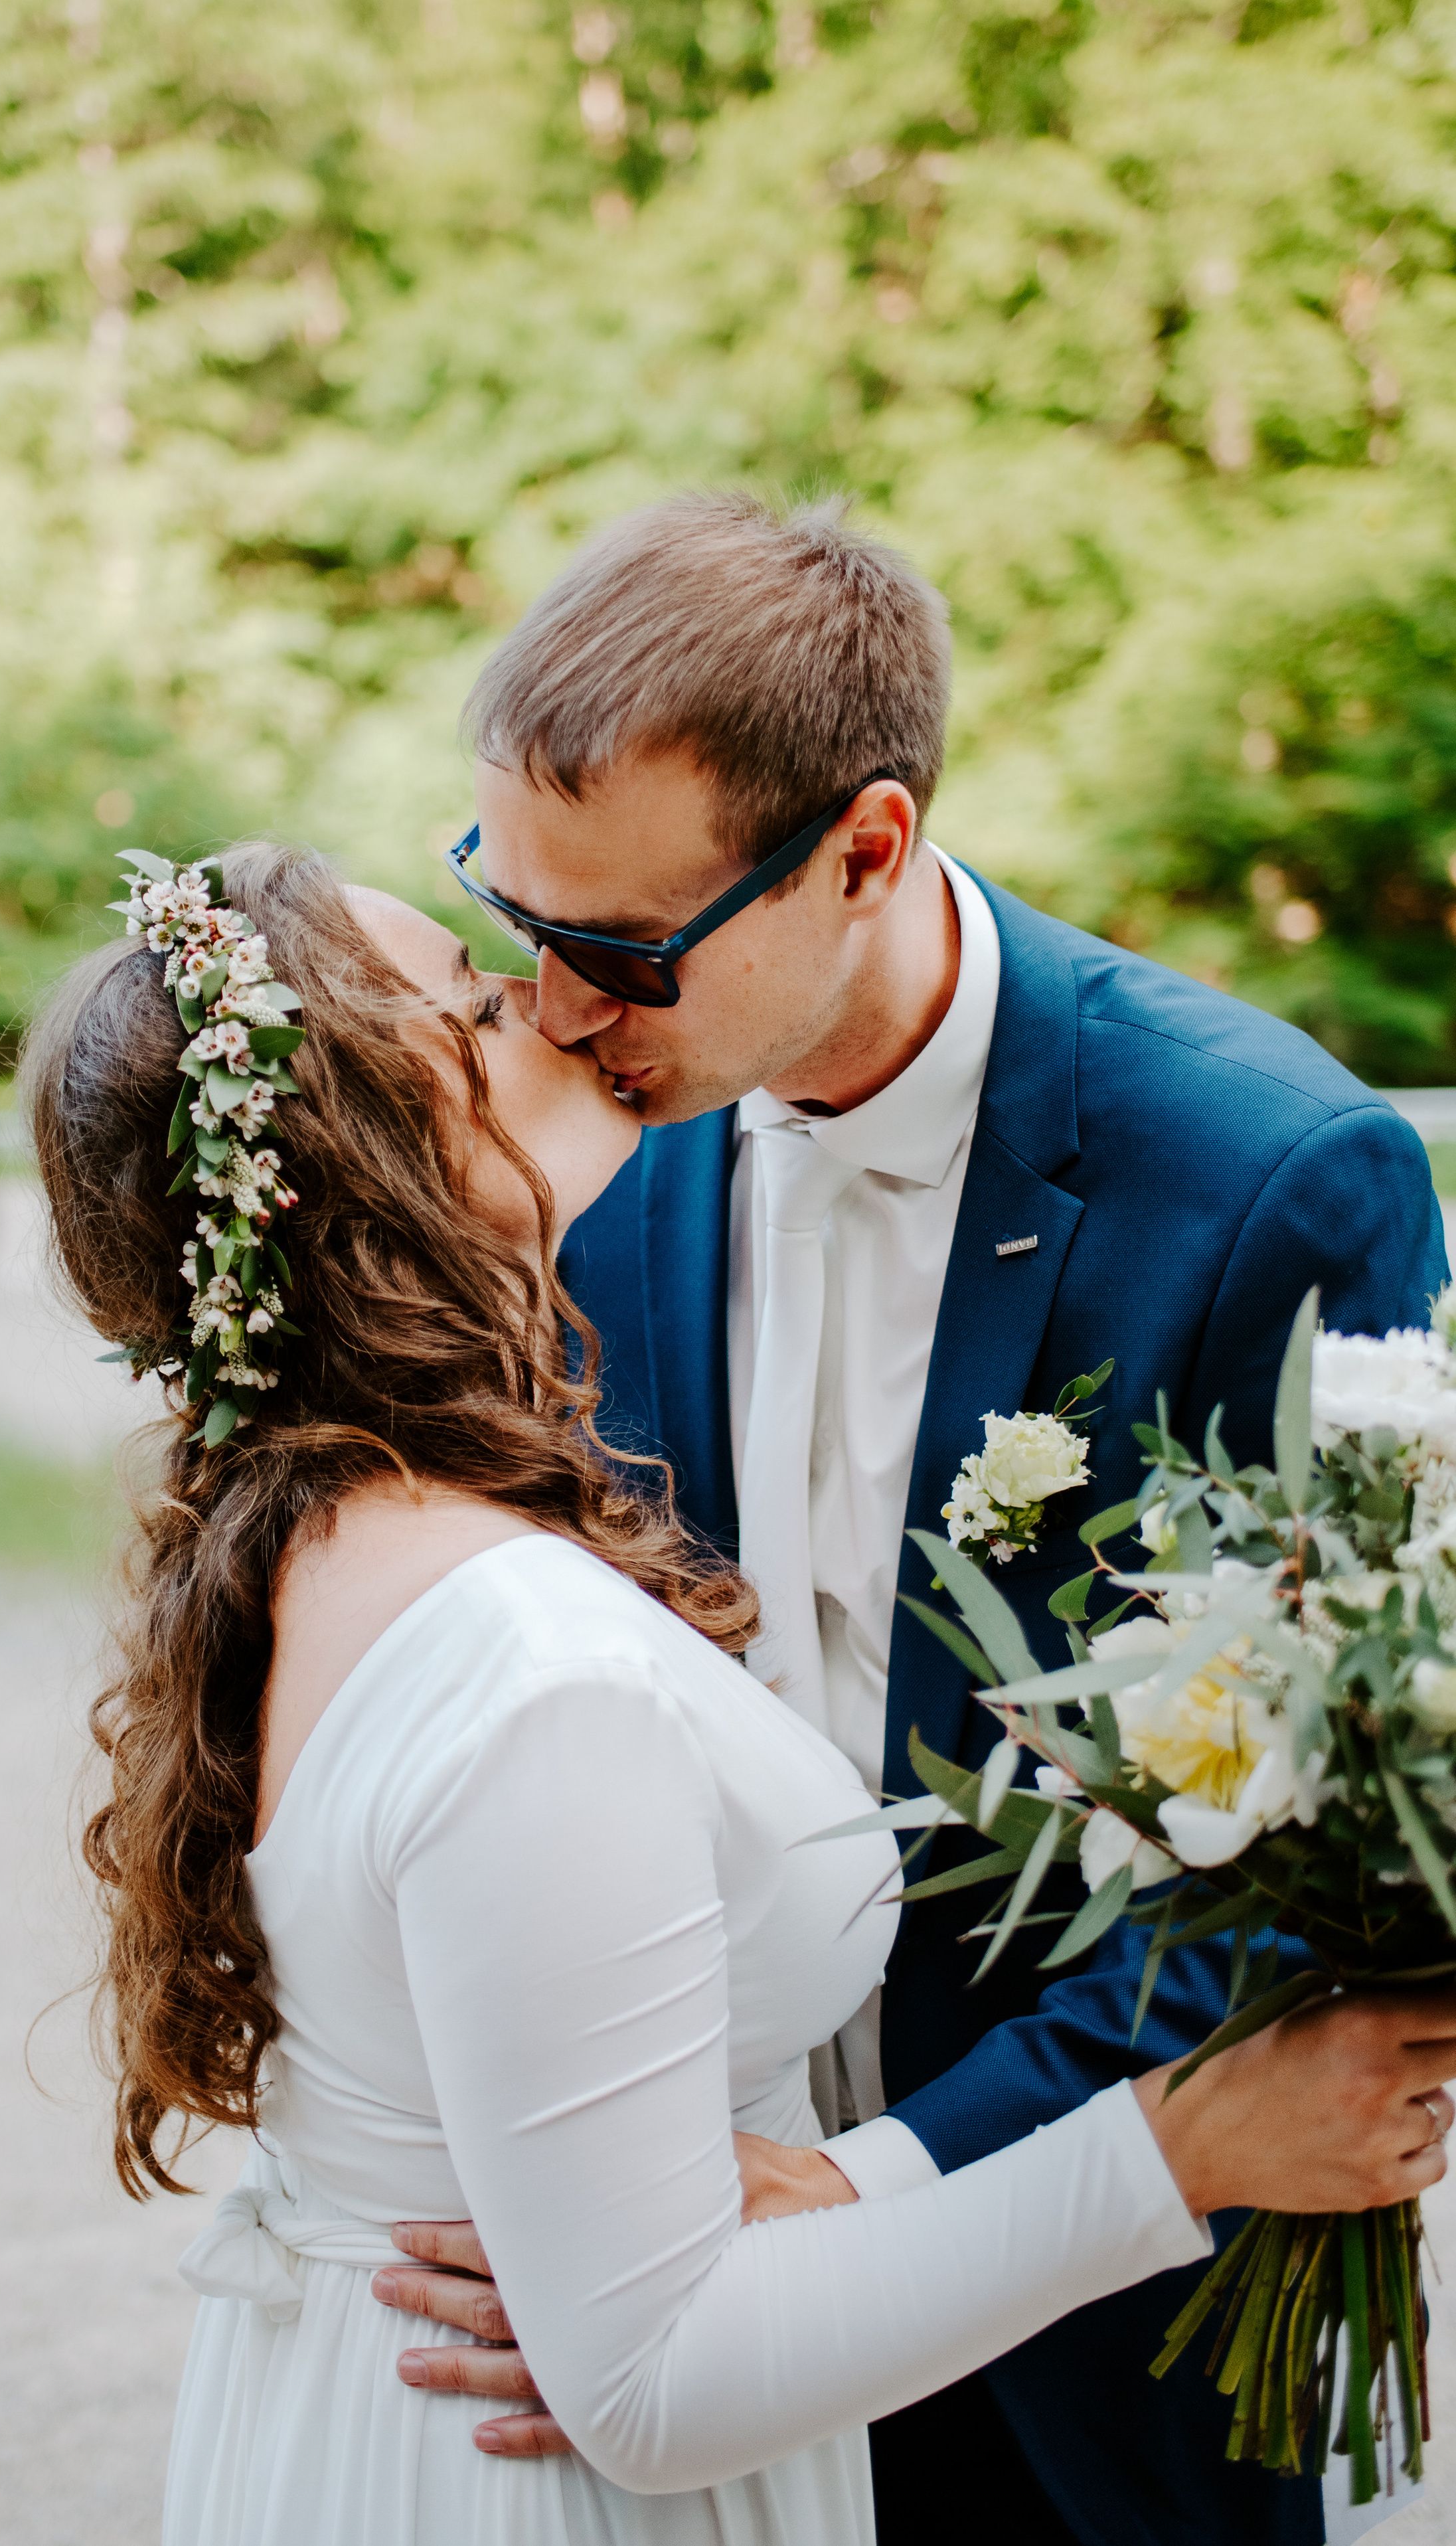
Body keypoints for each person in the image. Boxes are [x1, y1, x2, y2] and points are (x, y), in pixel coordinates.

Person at [25, 842, 1454, 2546]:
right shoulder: (529, 1670)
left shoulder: (321, 1528)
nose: (556, 1008)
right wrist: (1182, 2148)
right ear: (379, 1160)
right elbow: (652, 2383)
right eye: (481, 1000)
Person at [363, 493, 1453, 2546]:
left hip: (1113, 2325)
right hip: (692, 2331)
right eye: (516, 921)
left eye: (615, 950)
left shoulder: (1269, 1179)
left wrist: (884, 2183)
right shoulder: (579, 1157)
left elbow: (1330, 1861)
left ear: (864, 849)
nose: (556, 1012)